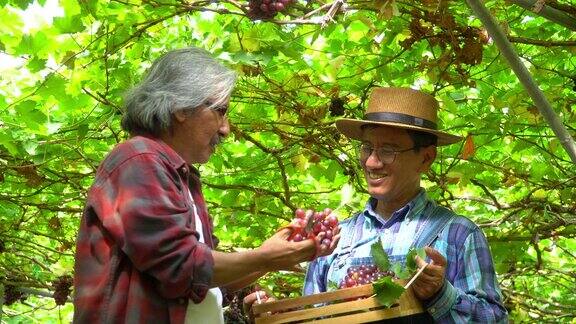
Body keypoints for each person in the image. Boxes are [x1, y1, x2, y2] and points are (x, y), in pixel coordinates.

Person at [73, 47, 338, 324]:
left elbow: (207, 282)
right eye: (220, 111)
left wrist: (276, 252)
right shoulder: (139, 160)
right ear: (181, 108)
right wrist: (266, 258)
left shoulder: (182, 176)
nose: (226, 129)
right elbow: (183, 267)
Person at [303, 87, 508, 323]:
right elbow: (312, 316)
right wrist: (274, 313)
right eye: (367, 147)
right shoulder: (336, 239)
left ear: (426, 158)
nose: (371, 162)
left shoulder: (459, 235)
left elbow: (495, 319)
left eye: (388, 151)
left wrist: (442, 295)